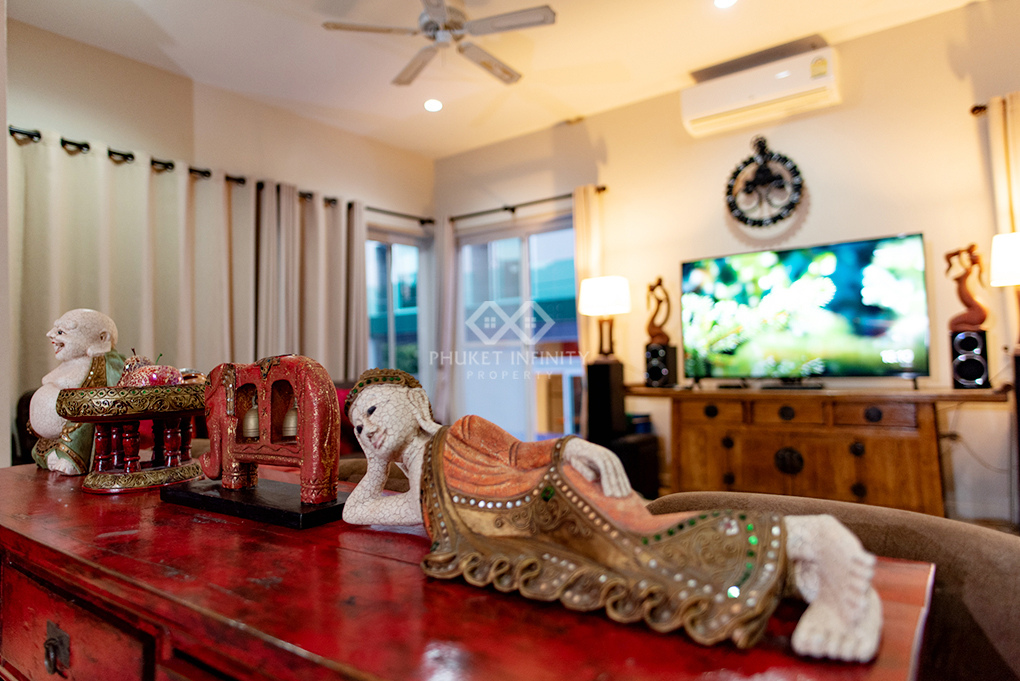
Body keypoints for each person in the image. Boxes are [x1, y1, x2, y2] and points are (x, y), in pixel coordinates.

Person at [342, 368, 882, 662]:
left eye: (372, 409)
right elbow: (358, 511)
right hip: (531, 539)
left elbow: (522, 453)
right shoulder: (420, 492)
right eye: (355, 425)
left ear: (416, 405)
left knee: (644, 542)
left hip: (550, 499)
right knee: (635, 570)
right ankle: (797, 573)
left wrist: (573, 446)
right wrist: (376, 463)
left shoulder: (460, 432)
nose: (365, 426)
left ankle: (806, 537)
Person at [28, 309, 125, 475]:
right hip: (49, 439)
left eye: (61, 332)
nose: (50, 334)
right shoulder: (70, 363)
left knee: (83, 416)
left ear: (102, 338)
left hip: (75, 434)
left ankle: (72, 459)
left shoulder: (100, 365)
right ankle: (52, 455)